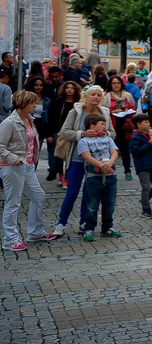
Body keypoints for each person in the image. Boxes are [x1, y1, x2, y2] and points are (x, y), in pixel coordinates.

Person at [1, 91, 59, 250]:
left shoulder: (29, 119)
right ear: (22, 103)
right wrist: (14, 159)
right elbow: (0, 146)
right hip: (13, 166)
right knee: (13, 202)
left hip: (27, 166)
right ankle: (10, 239)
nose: (35, 105)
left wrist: (32, 160)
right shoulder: (9, 123)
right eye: (32, 103)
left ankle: (35, 232)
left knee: (38, 195)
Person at [53, 84, 112, 238]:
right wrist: (82, 134)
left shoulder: (104, 112)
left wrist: (105, 134)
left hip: (97, 160)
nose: (95, 97)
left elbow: (112, 133)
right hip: (77, 157)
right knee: (72, 192)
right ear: (85, 96)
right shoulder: (76, 111)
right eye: (93, 94)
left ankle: (84, 223)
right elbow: (64, 132)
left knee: (90, 193)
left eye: (98, 95)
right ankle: (61, 223)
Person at [77, 113, 121, 241]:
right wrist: (102, 165)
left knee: (109, 203)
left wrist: (110, 163)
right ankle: (89, 228)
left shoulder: (108, 139)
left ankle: (107, 227)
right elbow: (87, 157)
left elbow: (114, 152)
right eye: (101, 124)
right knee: (92, 204)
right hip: (93, 176)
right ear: (92, 125)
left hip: (110, 175)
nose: (104, 126)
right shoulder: (84, 141)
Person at [46, 81, 80, 185]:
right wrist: (49, 133)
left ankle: (67, 177)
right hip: (58, 132)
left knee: (70, 156)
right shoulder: (57, 102)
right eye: (67, 87)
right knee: (58, 155)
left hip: (73, 133)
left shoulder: (78, 104)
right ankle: (60, 173)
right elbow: (50, 118)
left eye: (72, 88)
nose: (69, 90)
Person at [129, 114, 152, 218]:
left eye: (148, 122)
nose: (148, 124)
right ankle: (146, 209)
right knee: (146, 187)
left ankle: (144, 199)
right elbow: (136, 152)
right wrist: (149, 144)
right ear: (138, 124)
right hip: (143, 165)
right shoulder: (135, 137)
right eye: (146, 122)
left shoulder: (151, 134)